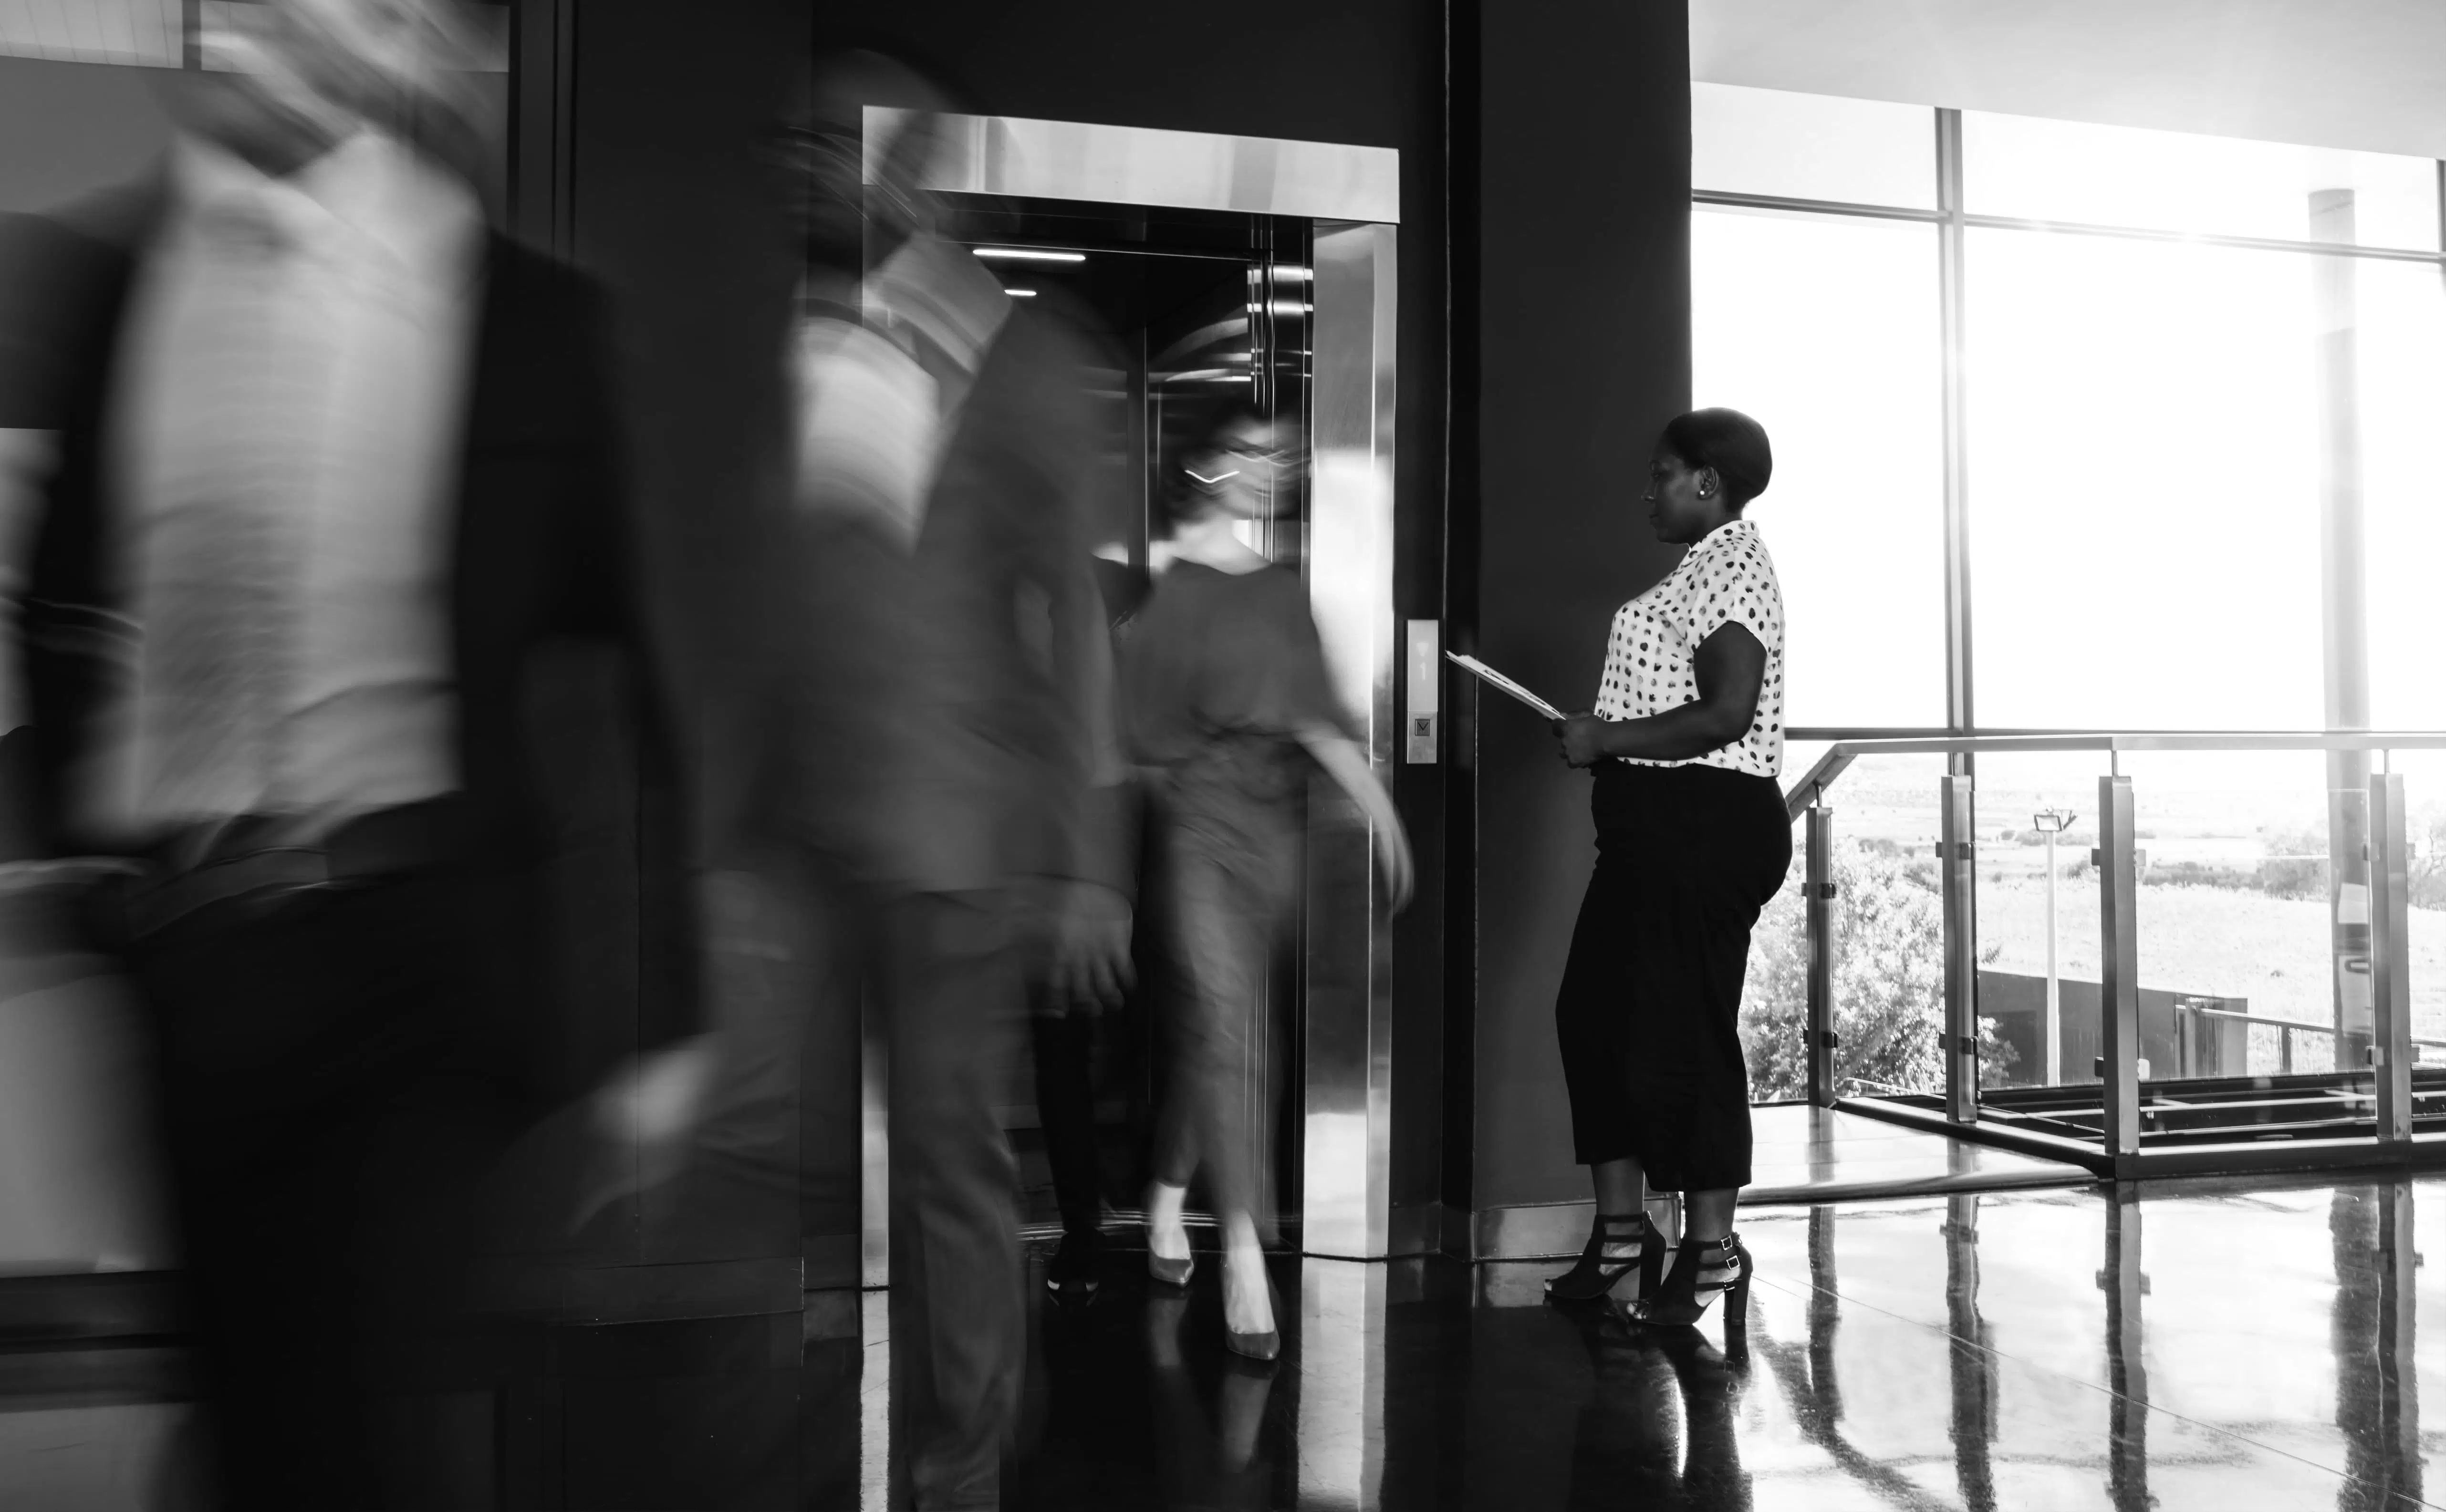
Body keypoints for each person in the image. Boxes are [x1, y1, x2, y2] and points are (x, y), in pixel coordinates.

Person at [0, 2, 702, 1503]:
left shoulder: (520, 317)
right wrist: (97, 859)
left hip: (413, 942)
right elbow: (64, 599)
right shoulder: (116, 286)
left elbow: (626, 674)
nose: (287, 37)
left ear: (408, 48)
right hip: (191, 946)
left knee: (368, 1417)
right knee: (252, 1405)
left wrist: (656, 1017)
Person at [729, 50, 1133, 1510]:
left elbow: (1072, 610)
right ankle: (917, 1423)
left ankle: (957, 1470)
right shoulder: (807, 333)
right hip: (820, 832)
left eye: (825, 140)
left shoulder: (1018, 348)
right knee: (783, 1159)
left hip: (962, 839)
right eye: (795, 136)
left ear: (904, 162)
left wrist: (1087, 859)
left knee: (948, 1167)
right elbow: (800, 603)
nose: (797, 161)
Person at [1123, 405, 1412, 1361]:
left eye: (1279, 455)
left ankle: (1165, 1196)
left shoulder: (1282, 589)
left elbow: (1321, 720)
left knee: (1228, 1035)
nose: (1271, 468)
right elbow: (1141, 744)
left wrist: (1382, 812)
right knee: (1230, 1033)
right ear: (1202, 467)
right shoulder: (1168, 591)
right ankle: (1246, 1256)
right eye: (1248, 452)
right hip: (1199, 827)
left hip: (1271, 829)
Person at [1543, 407, 1786, 1335]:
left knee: (1682, 1031)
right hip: (1651, 831)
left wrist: (1604, 737)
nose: (1647, 491)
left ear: (1708, 484)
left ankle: (1713, 1246)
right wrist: (1606, 742)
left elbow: (1727, 713)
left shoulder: (1735, 565)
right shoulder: (1697, 568)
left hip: (1705, 827)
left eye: (1662, 475)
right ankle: (1620, 1235)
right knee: (1593, 1015)